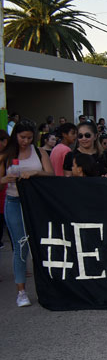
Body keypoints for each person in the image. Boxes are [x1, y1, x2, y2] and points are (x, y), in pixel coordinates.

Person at [0, 122, 55, 307]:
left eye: (29, 138)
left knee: (41, 243)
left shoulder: (40, 152)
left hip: (36, 202)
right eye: (22, 137)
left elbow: (51, 174)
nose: (25, 141)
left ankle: (46, 286)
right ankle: (21, 291)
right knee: (20, 245)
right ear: (15, 136)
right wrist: (5, 179)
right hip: (14, 201)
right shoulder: (7, 154)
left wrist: (36, 172)